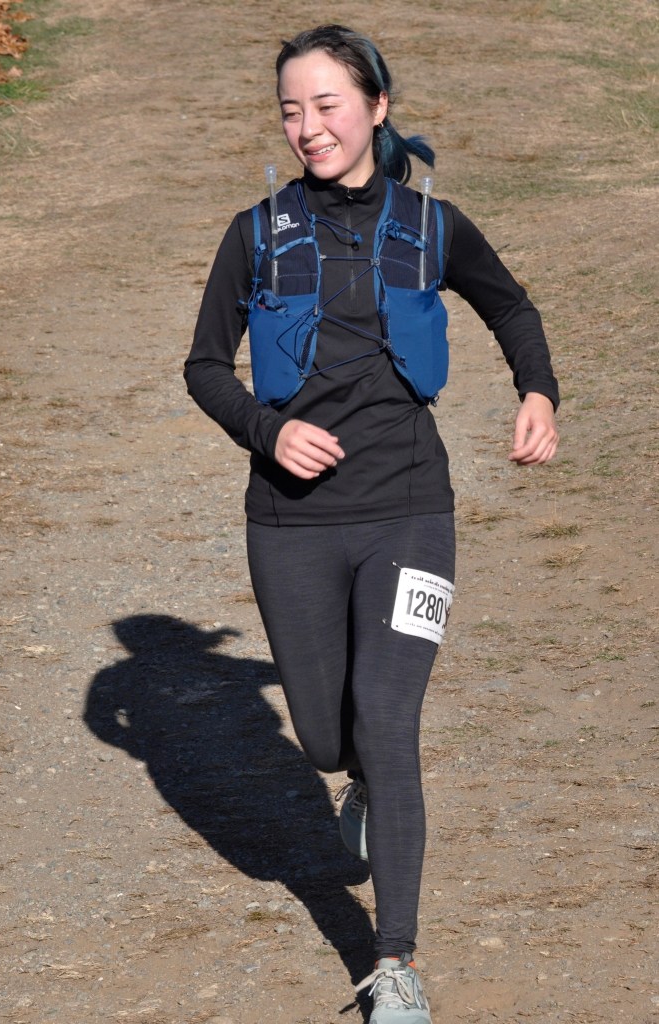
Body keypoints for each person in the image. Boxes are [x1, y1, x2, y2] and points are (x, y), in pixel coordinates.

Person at [184, 24, 559, 1024]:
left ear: (377, 107)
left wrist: (538, 391)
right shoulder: (256, 233)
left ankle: (394, 963)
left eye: (328, 105)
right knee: (323, 734)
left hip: (411, 511)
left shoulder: (432, 225)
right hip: (291, 523)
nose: (308, 127)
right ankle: (352, 778)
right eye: (291, 111)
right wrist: (268, 430)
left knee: (388, 718)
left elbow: (512, 308)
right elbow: (204, 366)